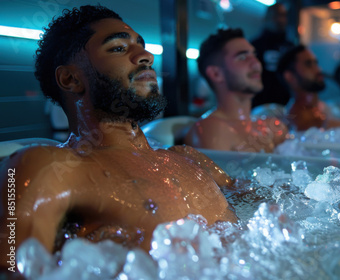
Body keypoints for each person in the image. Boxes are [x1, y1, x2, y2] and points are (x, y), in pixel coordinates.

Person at [0, 5, 237, 269]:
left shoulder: (188, 158)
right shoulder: (49, 168)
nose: (145, 55)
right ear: (70, 79)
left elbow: (264, 200)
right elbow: (13, 267)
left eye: (141, 45)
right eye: (118, 48)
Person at [184, 28, 288, 153]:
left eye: (254, 55)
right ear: (216, 74)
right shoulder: (212, 130)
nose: (256, 64)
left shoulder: (271, 127)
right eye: (243, 57)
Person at [277, 45, 340, 131]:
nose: (318, 69)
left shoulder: (326, 109)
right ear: (290, 76)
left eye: (316, 63)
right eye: (308, 64)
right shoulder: (292, 121)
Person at [250, 3, 294, 108]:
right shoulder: (254, 46)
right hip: (260, 106)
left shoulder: (291, 47)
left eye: (284, 15)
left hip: (287, 105)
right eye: (276, 15)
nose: (280, 20)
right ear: (266, 18)